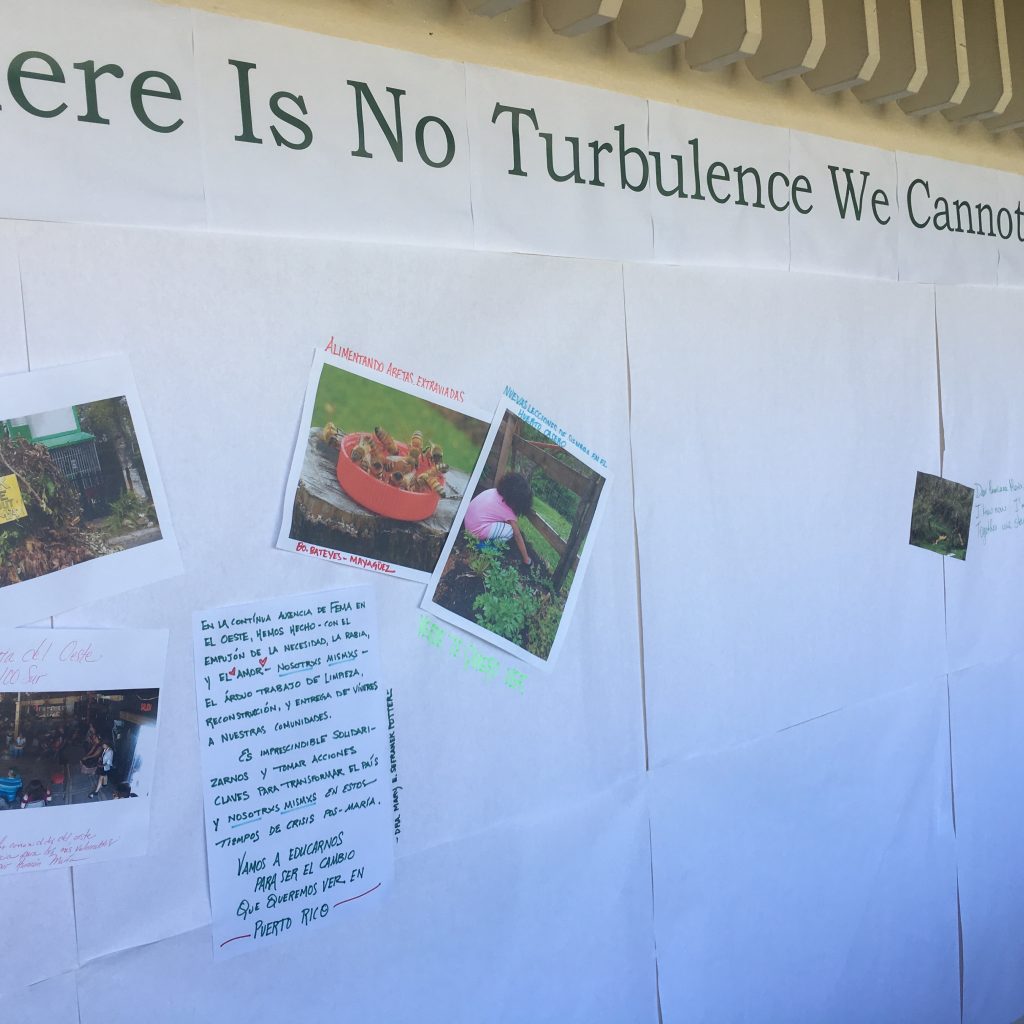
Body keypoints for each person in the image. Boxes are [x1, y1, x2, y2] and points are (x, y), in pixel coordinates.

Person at [464, 471, 533, 565]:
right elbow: (517, 536)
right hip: (474, 530)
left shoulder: (493, 491)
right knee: (510, 531)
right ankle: (484, 547)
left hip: (468, 520)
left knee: (503, 526)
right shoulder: (508, 512)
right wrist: (526, 558)